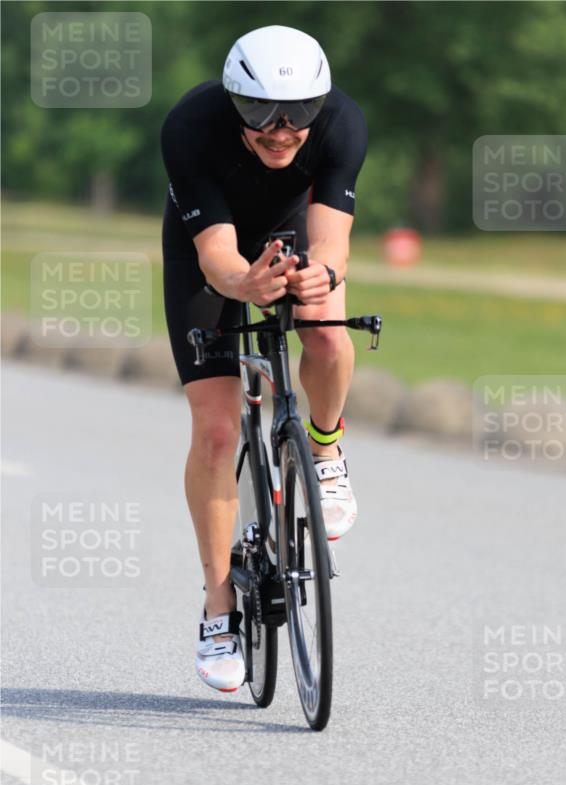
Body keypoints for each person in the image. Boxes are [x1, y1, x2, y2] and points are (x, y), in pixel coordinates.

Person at [160, 25, 368, 694]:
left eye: (298, 115)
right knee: (218, 430)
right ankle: (218, 608)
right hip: (207, 251)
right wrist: (242, 284)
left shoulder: (344, 124)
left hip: (289, 230)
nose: (280, 131)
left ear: (320, 104)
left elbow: (332, 243)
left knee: (329, 334)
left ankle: (327, 452)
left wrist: (322, 279)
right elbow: (218, 258)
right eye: (259, 114)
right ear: (232, 102)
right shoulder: (191, 126)